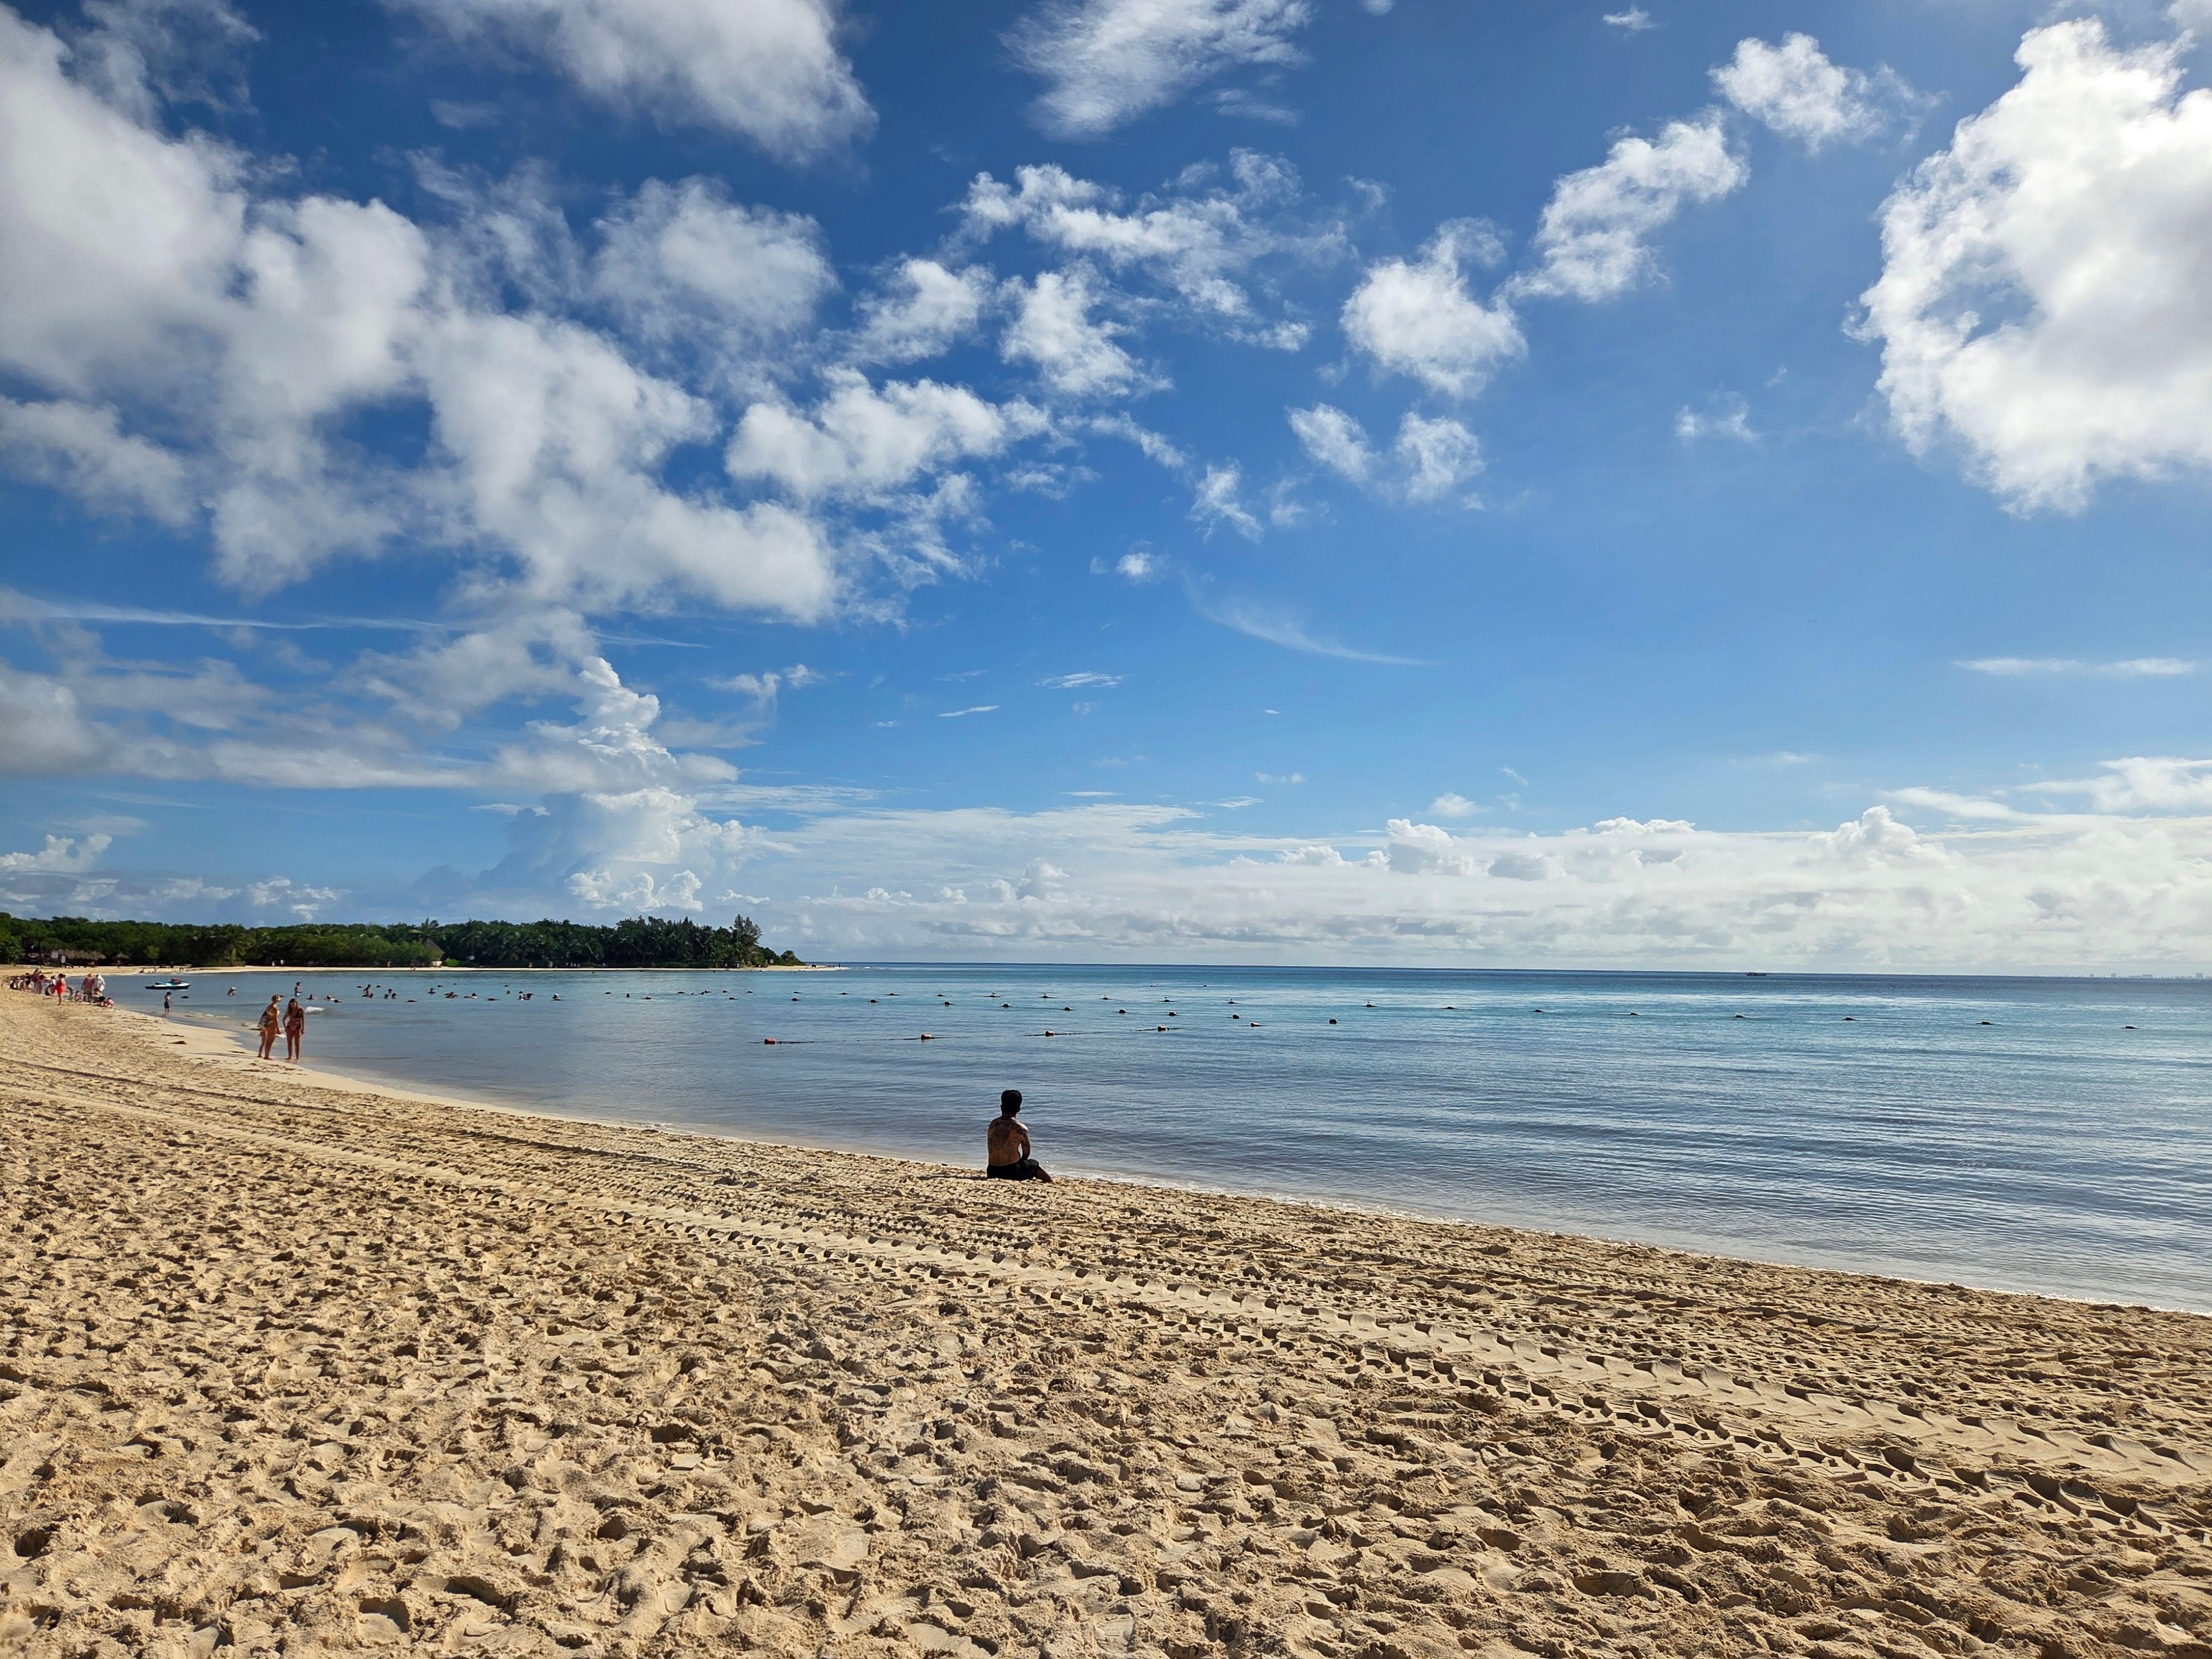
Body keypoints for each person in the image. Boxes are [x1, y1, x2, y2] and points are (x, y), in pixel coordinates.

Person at [985, 1089, 1051, 1182]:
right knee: (1034, 1164)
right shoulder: (1020, 1128)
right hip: (1011, 1171)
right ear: (1019, 1109)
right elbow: (1027, 1152)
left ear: (1001, 1107)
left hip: (992, 1171)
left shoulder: (993, 1124)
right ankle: (1050, 1181)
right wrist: (1022, 1161)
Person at [257, 995, 282, 1060]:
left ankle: (266, 1055)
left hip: (268, 1024)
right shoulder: (274, 1008)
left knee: (268, 1041)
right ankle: (267, 1056)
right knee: (270, 1041)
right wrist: (278, 1029)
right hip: (272, 1025)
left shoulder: (269, 1007)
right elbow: (275, 1019)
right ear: (278, 1000)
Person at [284, 996, 306, 1062]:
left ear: (296, 1003)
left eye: (293, 1004)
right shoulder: (289, 1010)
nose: (292, 1006)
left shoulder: (300, 1010)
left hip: (297, 1027)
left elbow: (303, 1019)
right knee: (289, 1043)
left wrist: (303, 1028)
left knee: (297, 1043)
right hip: (290, 1027)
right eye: (291, 1005)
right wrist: (285, 1028)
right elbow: (283, 1019)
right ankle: (290, 1057)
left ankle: (297, 1057)